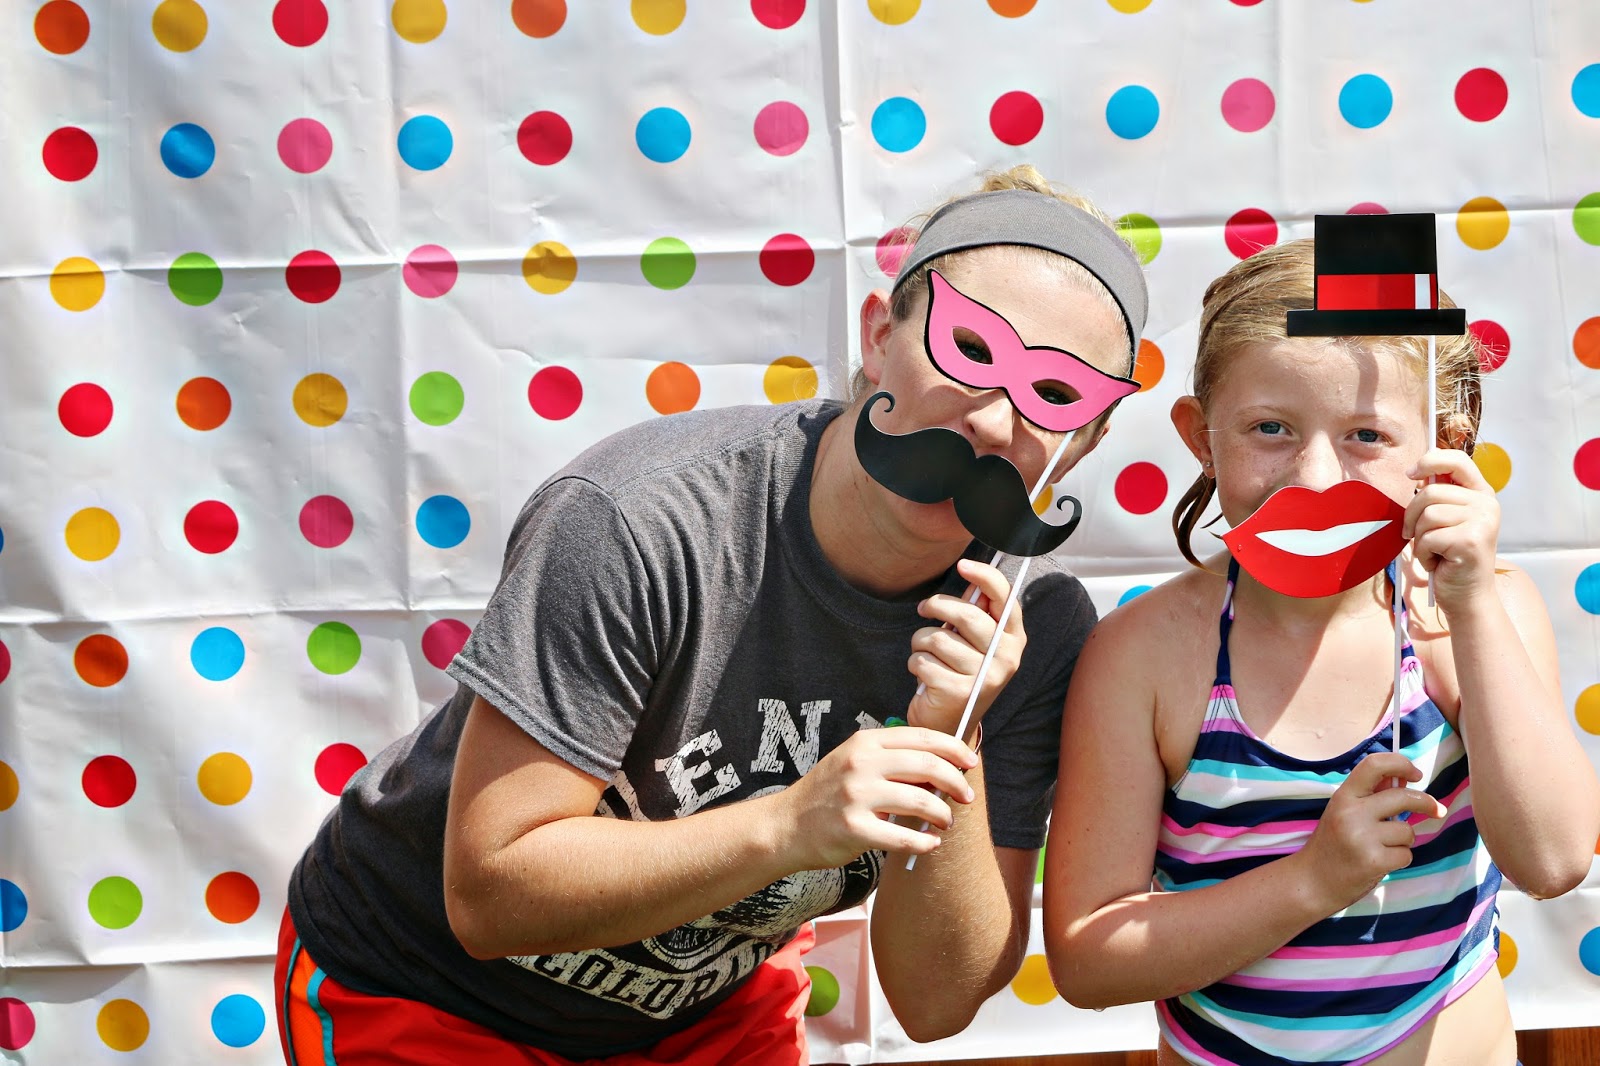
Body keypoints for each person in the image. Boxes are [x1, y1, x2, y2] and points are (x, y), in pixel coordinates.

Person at [276, 164, 1150, 1065]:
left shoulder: (1030, 629)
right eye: (970, 349)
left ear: (1085, 441)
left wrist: (951, 735)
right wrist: (793, 823)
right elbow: (489, 897)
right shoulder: (637, 520)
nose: (995, 423)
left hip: (703, 1019)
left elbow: (936, 1002)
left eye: (1056, 396)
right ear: (880, 334)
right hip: (428, 992)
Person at [1042, 237, 1600, 1065]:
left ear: (1442, 445)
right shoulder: (1144, 656)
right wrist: (1313, 881)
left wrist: (1473, 602)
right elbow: (1088, 960)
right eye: (1270, 428)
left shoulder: (1475, 617)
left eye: (1366, 434)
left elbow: (1553, 860)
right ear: (1201, 435)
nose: (1313, 477)